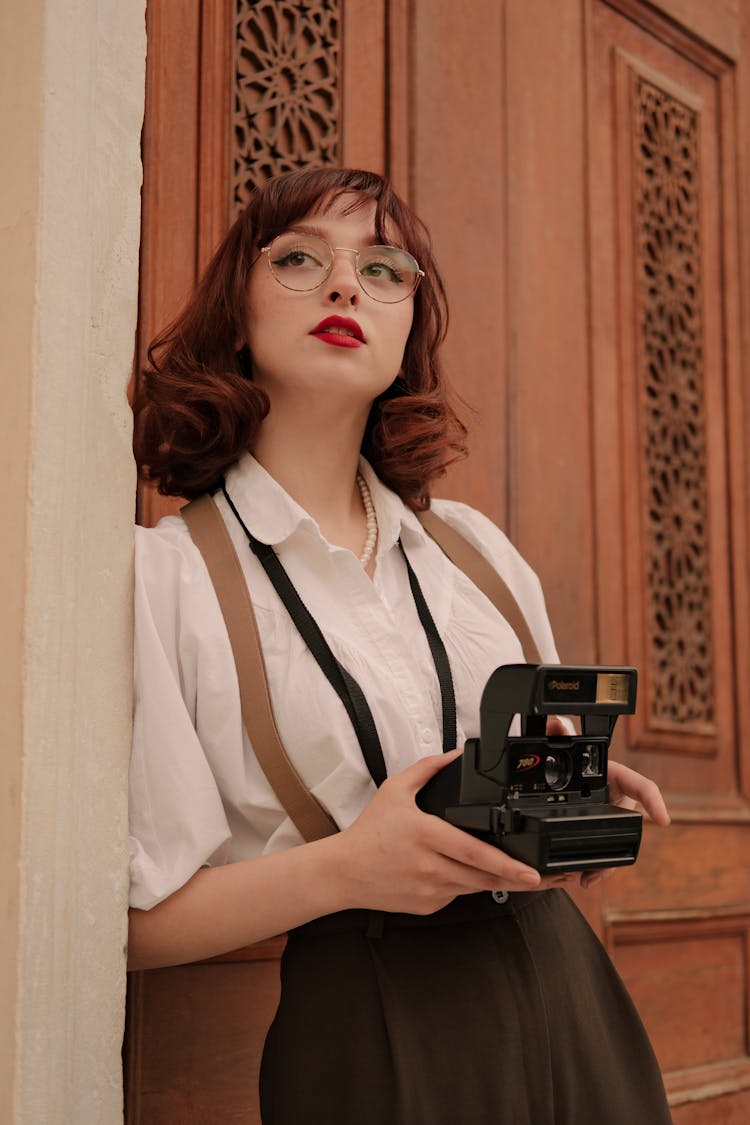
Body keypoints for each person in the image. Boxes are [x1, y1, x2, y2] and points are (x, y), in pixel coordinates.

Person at [129, 166, 672, 1124]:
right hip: (372, 1024)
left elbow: (523, 810)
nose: (346, 286)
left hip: (573, 1000)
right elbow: (129, 926)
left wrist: (569, 807)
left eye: (385, 270)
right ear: (237, 308)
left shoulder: (476, 554)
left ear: (410, 325)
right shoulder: (168, 579)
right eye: (300, 258)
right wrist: (346, 869)